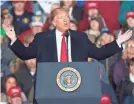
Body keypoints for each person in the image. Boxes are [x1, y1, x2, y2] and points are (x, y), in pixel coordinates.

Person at [2, 8, 132, 63]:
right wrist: (14, 39)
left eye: (67, 17)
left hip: (75, 87)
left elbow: (99, 54)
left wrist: (117, 42)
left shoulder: (80, 38)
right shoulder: (42, 39)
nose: (65, 20)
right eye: (61, 18)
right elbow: (25, 54)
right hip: (49, 88)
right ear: (53, 22)